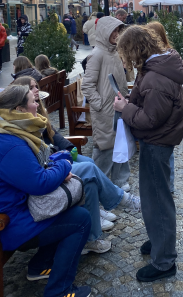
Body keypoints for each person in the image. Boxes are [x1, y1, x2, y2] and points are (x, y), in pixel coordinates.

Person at [11, 75, 141, 249]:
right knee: (88, 169)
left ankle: (94, 221)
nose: (36, 90)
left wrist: (67, 147)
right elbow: (40, 154)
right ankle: (121, 201)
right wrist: (60, 154)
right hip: (51, 163)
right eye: (32, 87)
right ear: (20, 101)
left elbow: (52, 134)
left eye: (35, 86)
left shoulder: (36, 110)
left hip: (55, 157)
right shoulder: (22, 123)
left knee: (88, 163)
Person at [0, 85, 92, 297]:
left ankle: (40, 266)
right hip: (12, 224)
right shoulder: (10, 143)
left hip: (18, 212)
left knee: (66, 209)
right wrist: (64, 164)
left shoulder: (12, 133)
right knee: (80, 219)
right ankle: (57, 293)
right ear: (19, 109)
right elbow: (39, 183)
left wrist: (57, 164)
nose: (38, 106)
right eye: (33, 101)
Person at [114, 26, 183, 282]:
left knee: (157, 200)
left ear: (135, 49)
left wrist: (125, 109)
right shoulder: (156, 69)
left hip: (157, 142)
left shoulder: (156, 78)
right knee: (155, 197)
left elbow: (151, 118)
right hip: (157, 141)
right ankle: (159, 240)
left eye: (126, 53)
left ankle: (164, 261)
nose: (126, 59)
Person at [82, 17, 130, 188]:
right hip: (104, 110)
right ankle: (97, 184)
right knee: (104, 146)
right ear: (104, 32)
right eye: (113, 31)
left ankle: (119, 180)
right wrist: (99, 104)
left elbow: (121, 79)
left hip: (118, 107)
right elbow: (87, 86)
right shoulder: (96, 55)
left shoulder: (115, 52)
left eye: (118, 31)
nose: (116, 34)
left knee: (120, 142)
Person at [146, 21, 177, 193]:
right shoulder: (171, 54)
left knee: (162, 148)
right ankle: (168, 185)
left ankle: (165, 185)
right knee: (167, 149)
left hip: (163, 107)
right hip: (171, 108)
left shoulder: (159, 58)